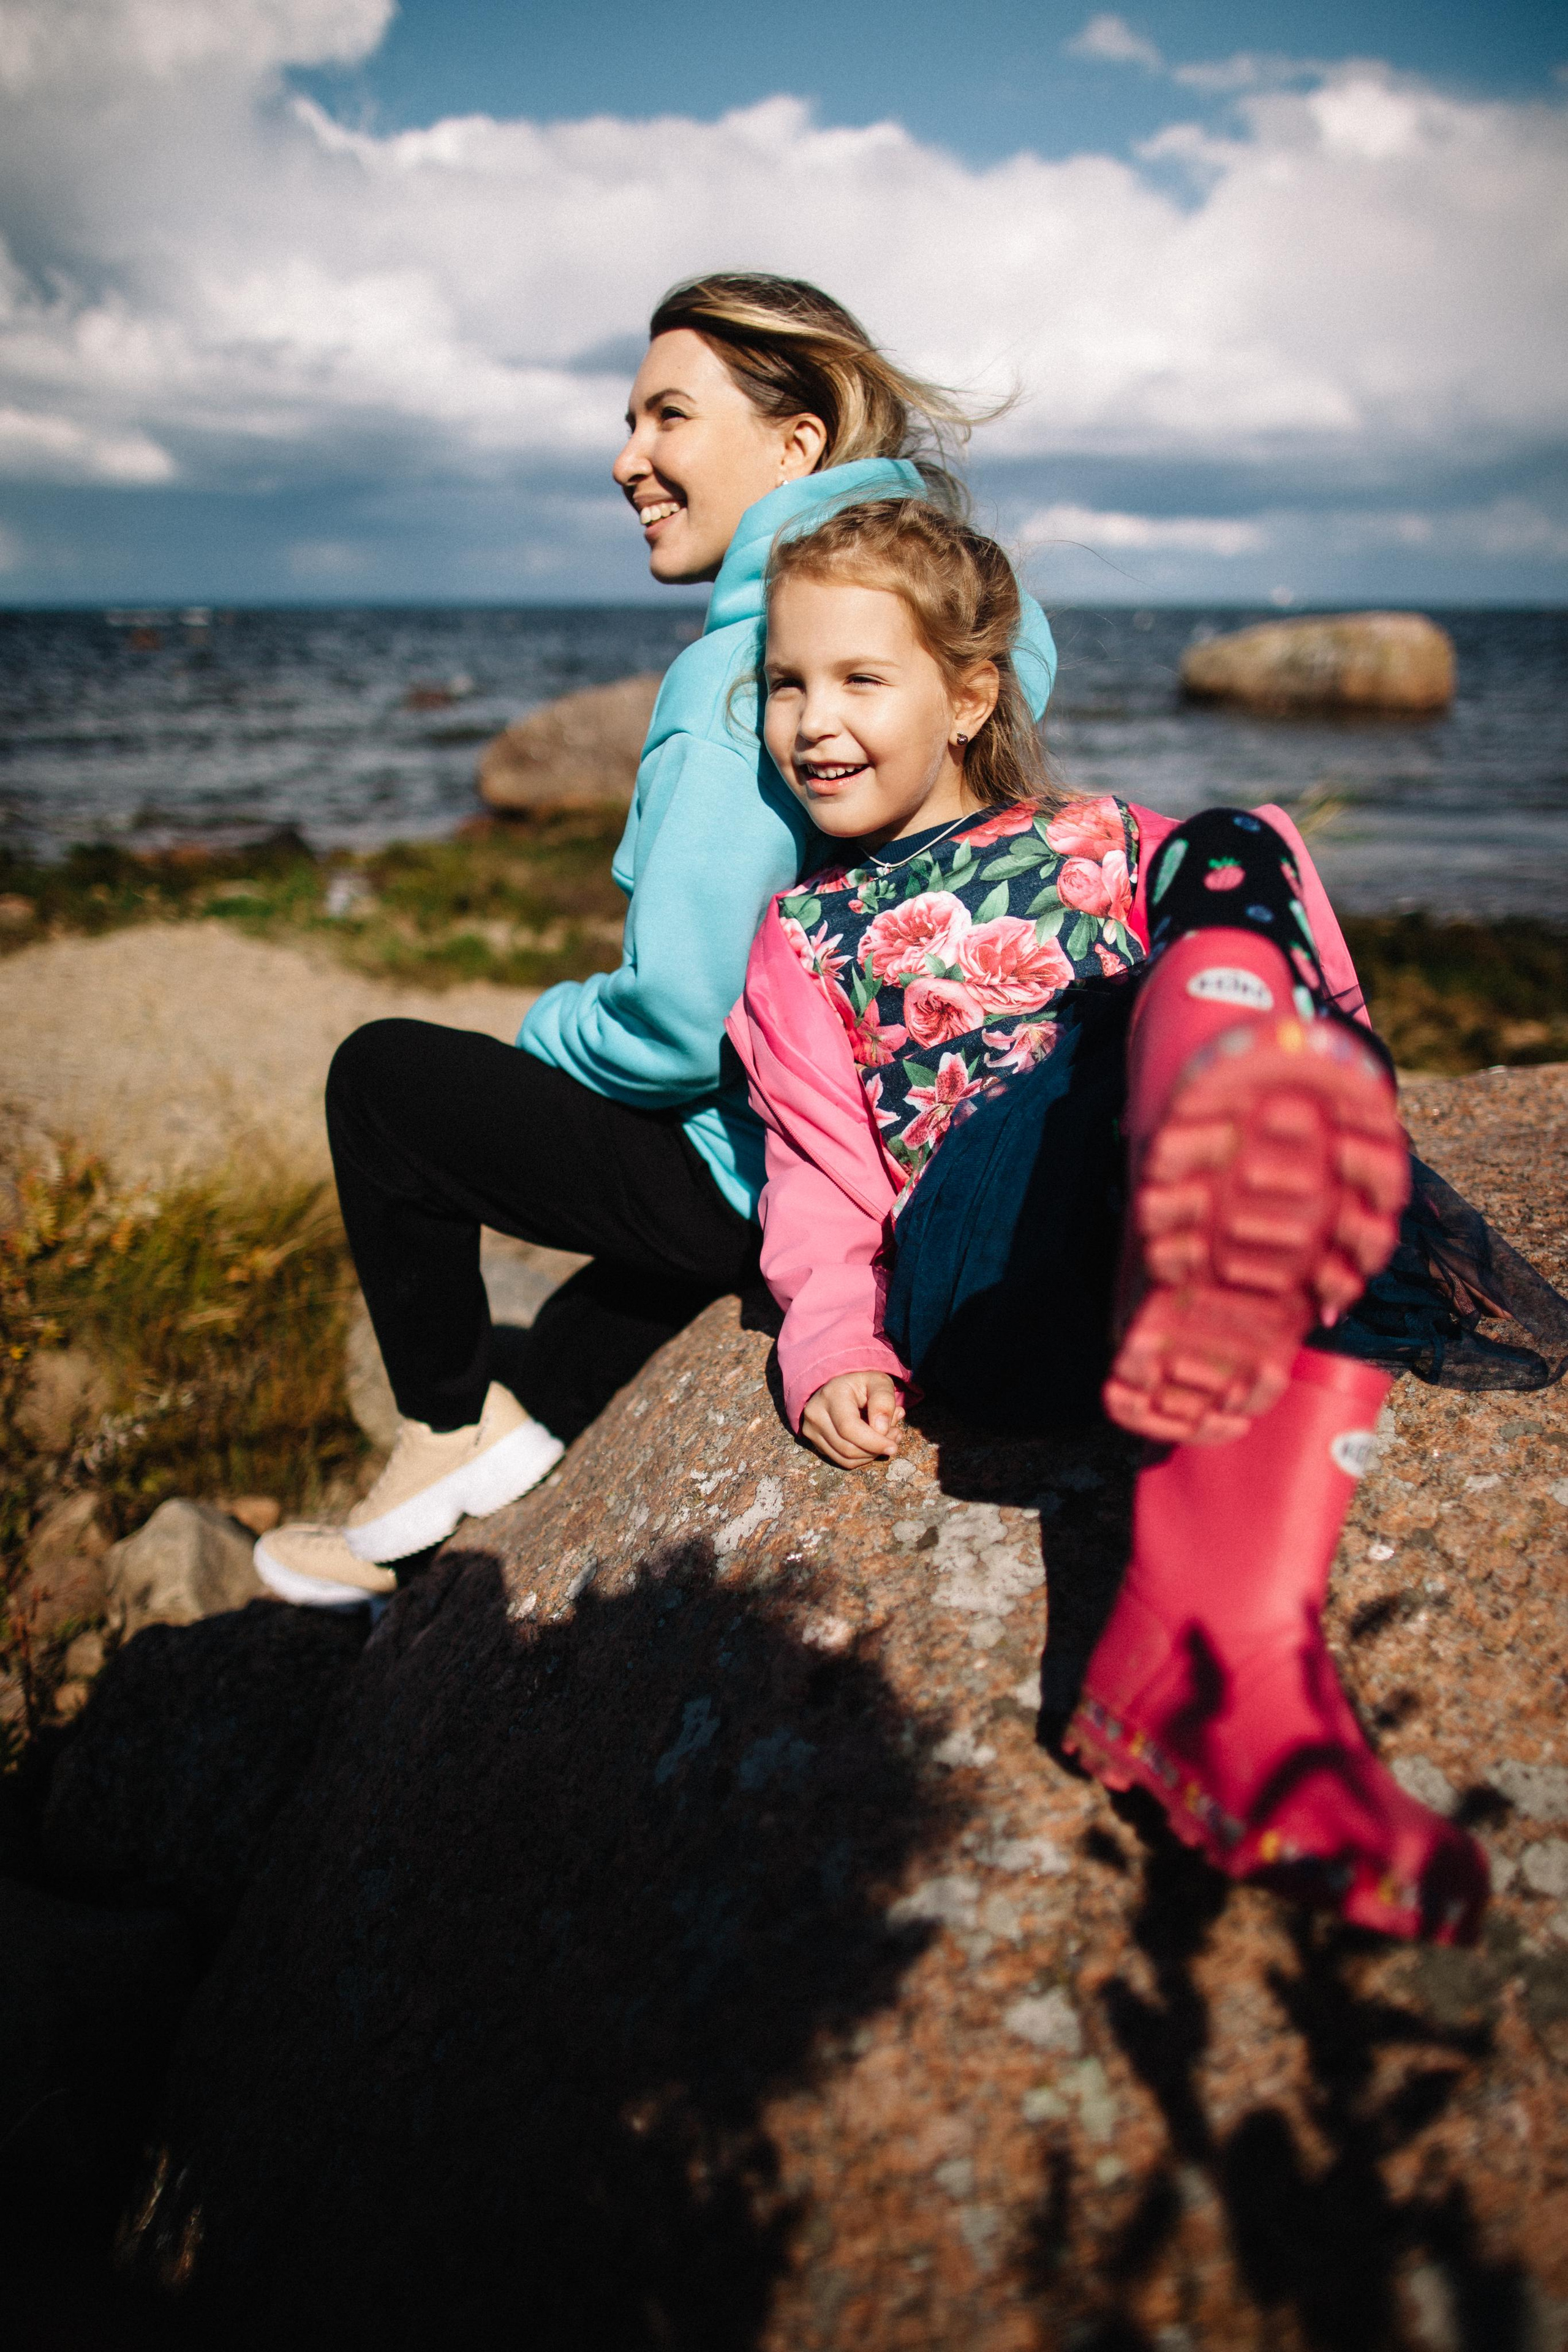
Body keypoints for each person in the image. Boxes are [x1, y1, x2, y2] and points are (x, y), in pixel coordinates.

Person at [726, 494, 1494, 1943]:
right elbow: (816, 1172)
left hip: (1169, 1224)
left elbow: (1291, 959)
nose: (810, 721)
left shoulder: (1111, 841)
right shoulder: (799, 940)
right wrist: (829, 1337)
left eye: (856, 678)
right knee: (1109, 1042)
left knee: (1230, 853)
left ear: (966, 698)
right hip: (992, 1253)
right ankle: (1228, 1128)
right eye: (784, 681)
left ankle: (1225, 1661)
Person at [254, 273, 1058, 1607]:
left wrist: (544, 1031)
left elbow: (679, 1028)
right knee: (575, 1335)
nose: (625, 457)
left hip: (755, 1174)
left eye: (665, 417)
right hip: (908, 1149)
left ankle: (439, 1430)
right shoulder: (963, 635)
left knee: (387, 1083)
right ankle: (468, 1528)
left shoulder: (744, 676)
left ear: (795, 444)